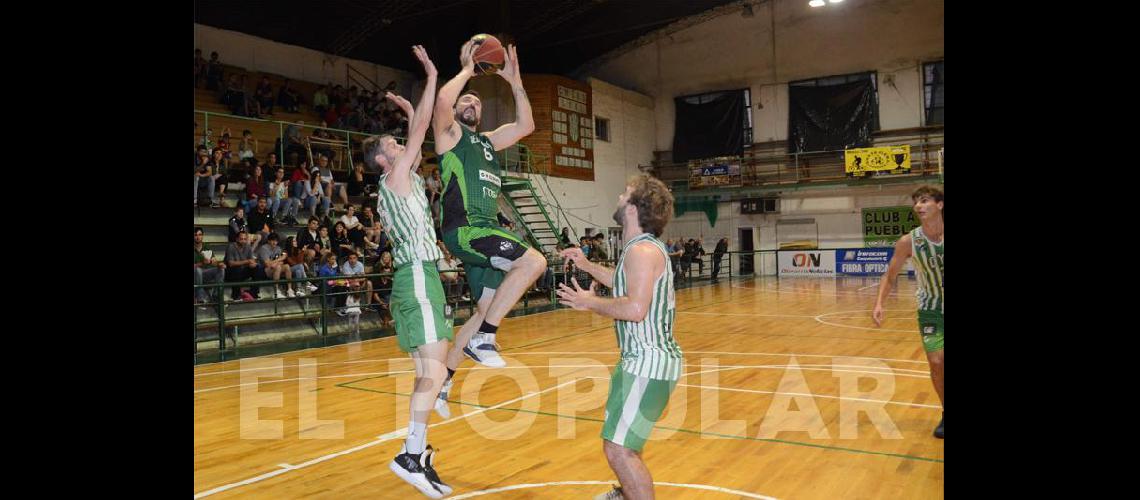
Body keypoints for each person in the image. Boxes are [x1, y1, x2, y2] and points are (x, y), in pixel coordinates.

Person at [556, 175, 683, 500]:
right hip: (644, 362)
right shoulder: (641, 251)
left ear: (634, 208)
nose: (619, 195)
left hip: (647, 362)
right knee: (623, 447)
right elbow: (623, 282)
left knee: (619, 450)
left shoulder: (641, 251)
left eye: (625, 193)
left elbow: (636, 307)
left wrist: (589, 302)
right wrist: (586, 264)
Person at [363, 46, 453, 498]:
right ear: (383, 162)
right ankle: (410, 455)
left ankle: (417, 448)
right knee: (435, 371)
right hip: (416, 274)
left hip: (421, 275)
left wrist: (409, 106)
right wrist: (431, 76)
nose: (400, 146)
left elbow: (417, 133)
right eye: (391, 146)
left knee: (431, 371)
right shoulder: (393, 180)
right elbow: (420, 130)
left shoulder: (409, 176)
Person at [433, 39, 543, 370]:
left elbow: (526, 127)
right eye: (465, 99)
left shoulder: (488, 142)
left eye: (477, 102)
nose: (472, 102)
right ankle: (485, 338)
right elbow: (441, 100)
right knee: (533, 263)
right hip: (467, 229)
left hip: (485, 231)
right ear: (455, 111)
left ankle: (445, 378)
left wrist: (515, 81)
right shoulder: (450, 136)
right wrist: (468, 69)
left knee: (486, 307)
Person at [872, 185, 944, 439]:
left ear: (940, 205)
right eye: (916, 202)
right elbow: (890, 275)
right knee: (936, 363)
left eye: (924, 201)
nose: (918, 206)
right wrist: (880, 303)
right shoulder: (908, 241)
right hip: (931, 310)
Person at [194, 227, 226, 304]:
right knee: (198, 270)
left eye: (200, 235)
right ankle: (200, 299)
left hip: (205, 273)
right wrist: (203, 263)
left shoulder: (206, 247)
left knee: (221, 269)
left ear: (202, 236)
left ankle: (216, 296)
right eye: (195, 235)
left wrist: (219, 264)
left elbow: (214, 261)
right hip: (195, 274)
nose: (198, 237)